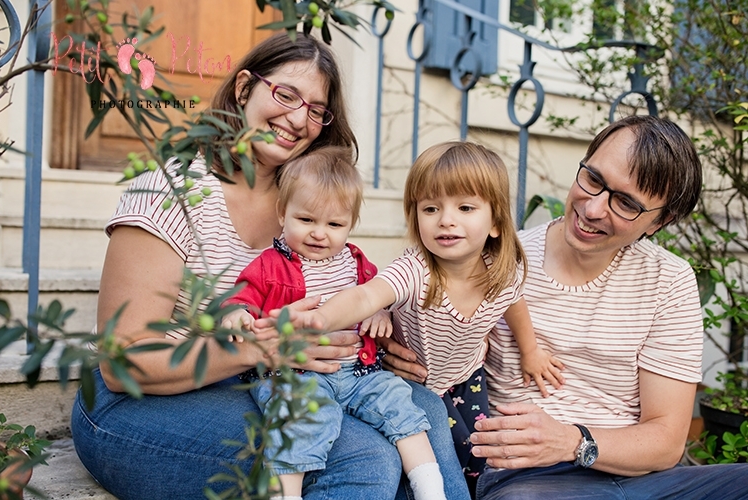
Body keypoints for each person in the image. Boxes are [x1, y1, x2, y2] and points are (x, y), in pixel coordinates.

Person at [70, 33, 468, 500]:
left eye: (317, 109)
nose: (299, 118)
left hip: (266, 383)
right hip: (136, 403)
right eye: (285, 94)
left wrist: (381, 340)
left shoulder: (311, 201)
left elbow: (347, 290)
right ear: (244, 89)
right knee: (360, 454)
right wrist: (266, 347)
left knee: (421, 410)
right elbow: (122, 364)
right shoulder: (168, 195)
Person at [378, 116, 748, 499]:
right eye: (592, 180)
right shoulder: (493, 261)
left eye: (625, 203)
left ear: (660, 221)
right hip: (532, 482)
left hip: (639, 479)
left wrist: (573, 441)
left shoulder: (669, 281)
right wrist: (393, 338)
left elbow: (667, 442)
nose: (592, 209)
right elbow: (418, 301)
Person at [263, 141, 565, 497]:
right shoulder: (415, 271)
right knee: (429, 445)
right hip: (407, 378)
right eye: (431, 208)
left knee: (474, 456)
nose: (446, 219)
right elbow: (367, 294)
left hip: (465, 377)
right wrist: (323, 318)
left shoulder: (502, 273)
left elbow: (513, 303)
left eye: (465, 207)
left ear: (496, 223)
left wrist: (530, 351)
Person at [222, 146, 447, 500]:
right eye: (307, 220)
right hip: (296, 374)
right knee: (301, 418)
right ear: (283, 213)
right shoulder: (270, 265)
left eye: (334, 224)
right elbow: (242, 297)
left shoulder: (357, 263)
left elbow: (377, 296)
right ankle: (286, 494)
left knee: (401, 405)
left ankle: (431, 489)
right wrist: (238, 314)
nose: (319, 234)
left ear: (350, 225)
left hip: (359, 373)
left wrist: (379, 313)